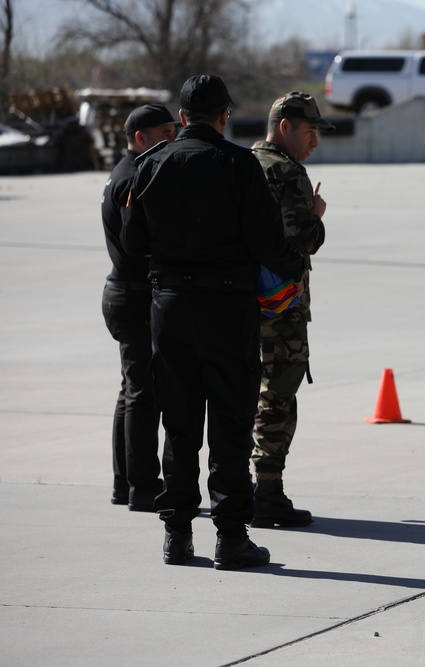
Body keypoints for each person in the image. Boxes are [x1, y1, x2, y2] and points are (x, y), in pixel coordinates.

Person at [120, 74, 305, 569]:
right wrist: (295, 263)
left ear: (181, 118)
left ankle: (178, 535)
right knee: (230, 420)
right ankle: (230, 536)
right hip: (228, 309)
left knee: (179, 424)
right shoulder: (240, 166)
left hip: (171, 307)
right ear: (224, 116)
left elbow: (133, 243)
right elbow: (269, 244)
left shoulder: (150, 165)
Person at [248, 92, 331, 528]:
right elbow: (305, 239)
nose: (314, 142)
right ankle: (268, 491)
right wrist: (316, 213)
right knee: (277, 396)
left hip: (239, 303)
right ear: (285, 127)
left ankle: (237, 486)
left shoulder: (241, 164)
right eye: (310, 131)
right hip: (281, 307)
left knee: (243, 394)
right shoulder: (287, 172)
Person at [100, 104, 180, 511]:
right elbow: (142, 245)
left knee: (132, 391)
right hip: (133, 295)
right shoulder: (135, 177)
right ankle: (144, 488)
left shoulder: (128, 171)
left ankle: (125, 482)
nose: (174, 138)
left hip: (124, 292)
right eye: (166, 132)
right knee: (144, 394)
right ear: (140, 138)